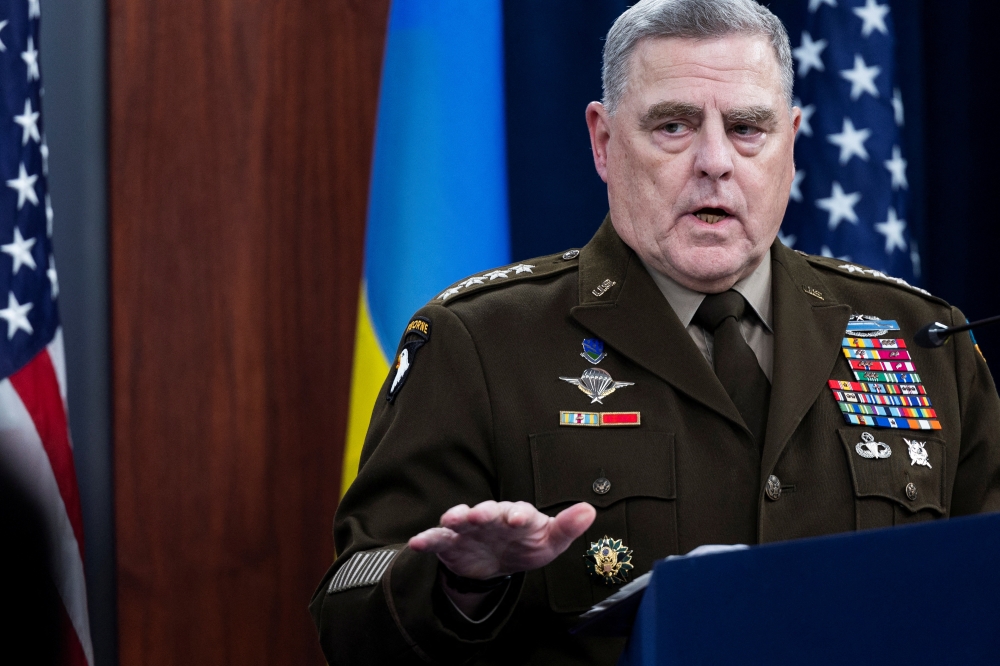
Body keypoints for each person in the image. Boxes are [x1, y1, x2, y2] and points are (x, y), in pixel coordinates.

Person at [310, 0, 1000, 664]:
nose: (714, 161)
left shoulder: (922, 339)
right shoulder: (479, 342)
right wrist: (459, 586)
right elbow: (348, 613)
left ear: (790, 143)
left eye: (747, 128)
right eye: (673, 126)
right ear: (604, 142)